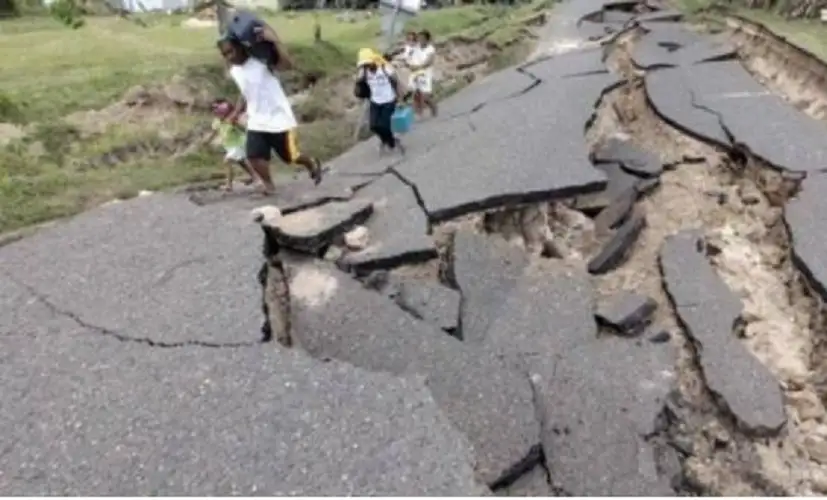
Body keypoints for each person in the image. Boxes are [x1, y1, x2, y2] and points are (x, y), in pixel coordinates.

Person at [217, 30, 323, 196]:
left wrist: (275, 42)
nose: (229, 57)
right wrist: (237, 111)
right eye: (225, 54)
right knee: (253, 156)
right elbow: (246, 90)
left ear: (240, 47)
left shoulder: (261, 61)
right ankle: (269, 186)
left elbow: (287, 65)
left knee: (291, 157)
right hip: (257, 120)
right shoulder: (235, 71)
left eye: (231, 51)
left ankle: (310, 163)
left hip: (280, 119)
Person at [356, 48, 405, 156]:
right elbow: (360, 86)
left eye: (368, 63)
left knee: (384, 125)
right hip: (375, 101)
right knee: (373, 125)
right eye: (364, 64)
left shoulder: (385, 68)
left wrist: (400, 100)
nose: (367, 66)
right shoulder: (363, 72)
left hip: (389, 100)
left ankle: (390, 142)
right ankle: (388, 139)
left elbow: (397, 83)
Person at [204, 98, 257, 191]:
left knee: (227, 161)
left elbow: (243, 130)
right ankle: (256, 177)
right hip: (230, 146)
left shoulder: (231, 120)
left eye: (218, 112)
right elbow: (214, 132)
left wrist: (235, 124)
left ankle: (229, 185)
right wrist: (207, 141)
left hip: (240, 144)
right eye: (215, 112)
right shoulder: (216, 121)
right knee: (242, 162)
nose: (216, 114)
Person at [408, 29, 438, 117]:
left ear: (427, 39)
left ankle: (433, 107)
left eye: (422, 38)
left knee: (425, 96)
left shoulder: (430, 49)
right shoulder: (416, 47)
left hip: (426, 74)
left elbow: (429, 62)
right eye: (419, 37)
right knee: (415, 93)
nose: (420, 39)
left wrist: (418, 67)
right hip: (415, 73)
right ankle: (418, 111)